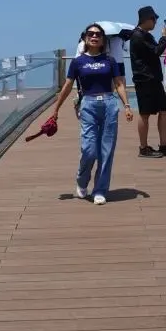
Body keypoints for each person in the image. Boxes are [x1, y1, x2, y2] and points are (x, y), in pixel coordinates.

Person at [48, 23, 134, 204]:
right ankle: (82, 179)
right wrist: (56, 109)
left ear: (103, 40)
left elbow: (119, 83)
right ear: (85, 38)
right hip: (88, 104)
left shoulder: (110, 61)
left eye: (98, 34)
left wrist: (126, 105)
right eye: (90, 34)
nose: (94, 36)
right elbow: (68, 85)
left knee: (106, 149)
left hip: (109, 103)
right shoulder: (78, 62)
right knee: (89, 149)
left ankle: (100, 190)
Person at [128, 6, 166, 158]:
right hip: (144, 79)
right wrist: (164, 37)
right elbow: (156, 51)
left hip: (153, 78)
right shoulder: (138, 36)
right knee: (145, 113)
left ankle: (164, 144)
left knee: (164, 110)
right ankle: (143, 148)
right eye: (154, 19)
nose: (155, 22)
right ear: (146, 19)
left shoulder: (145, 35)